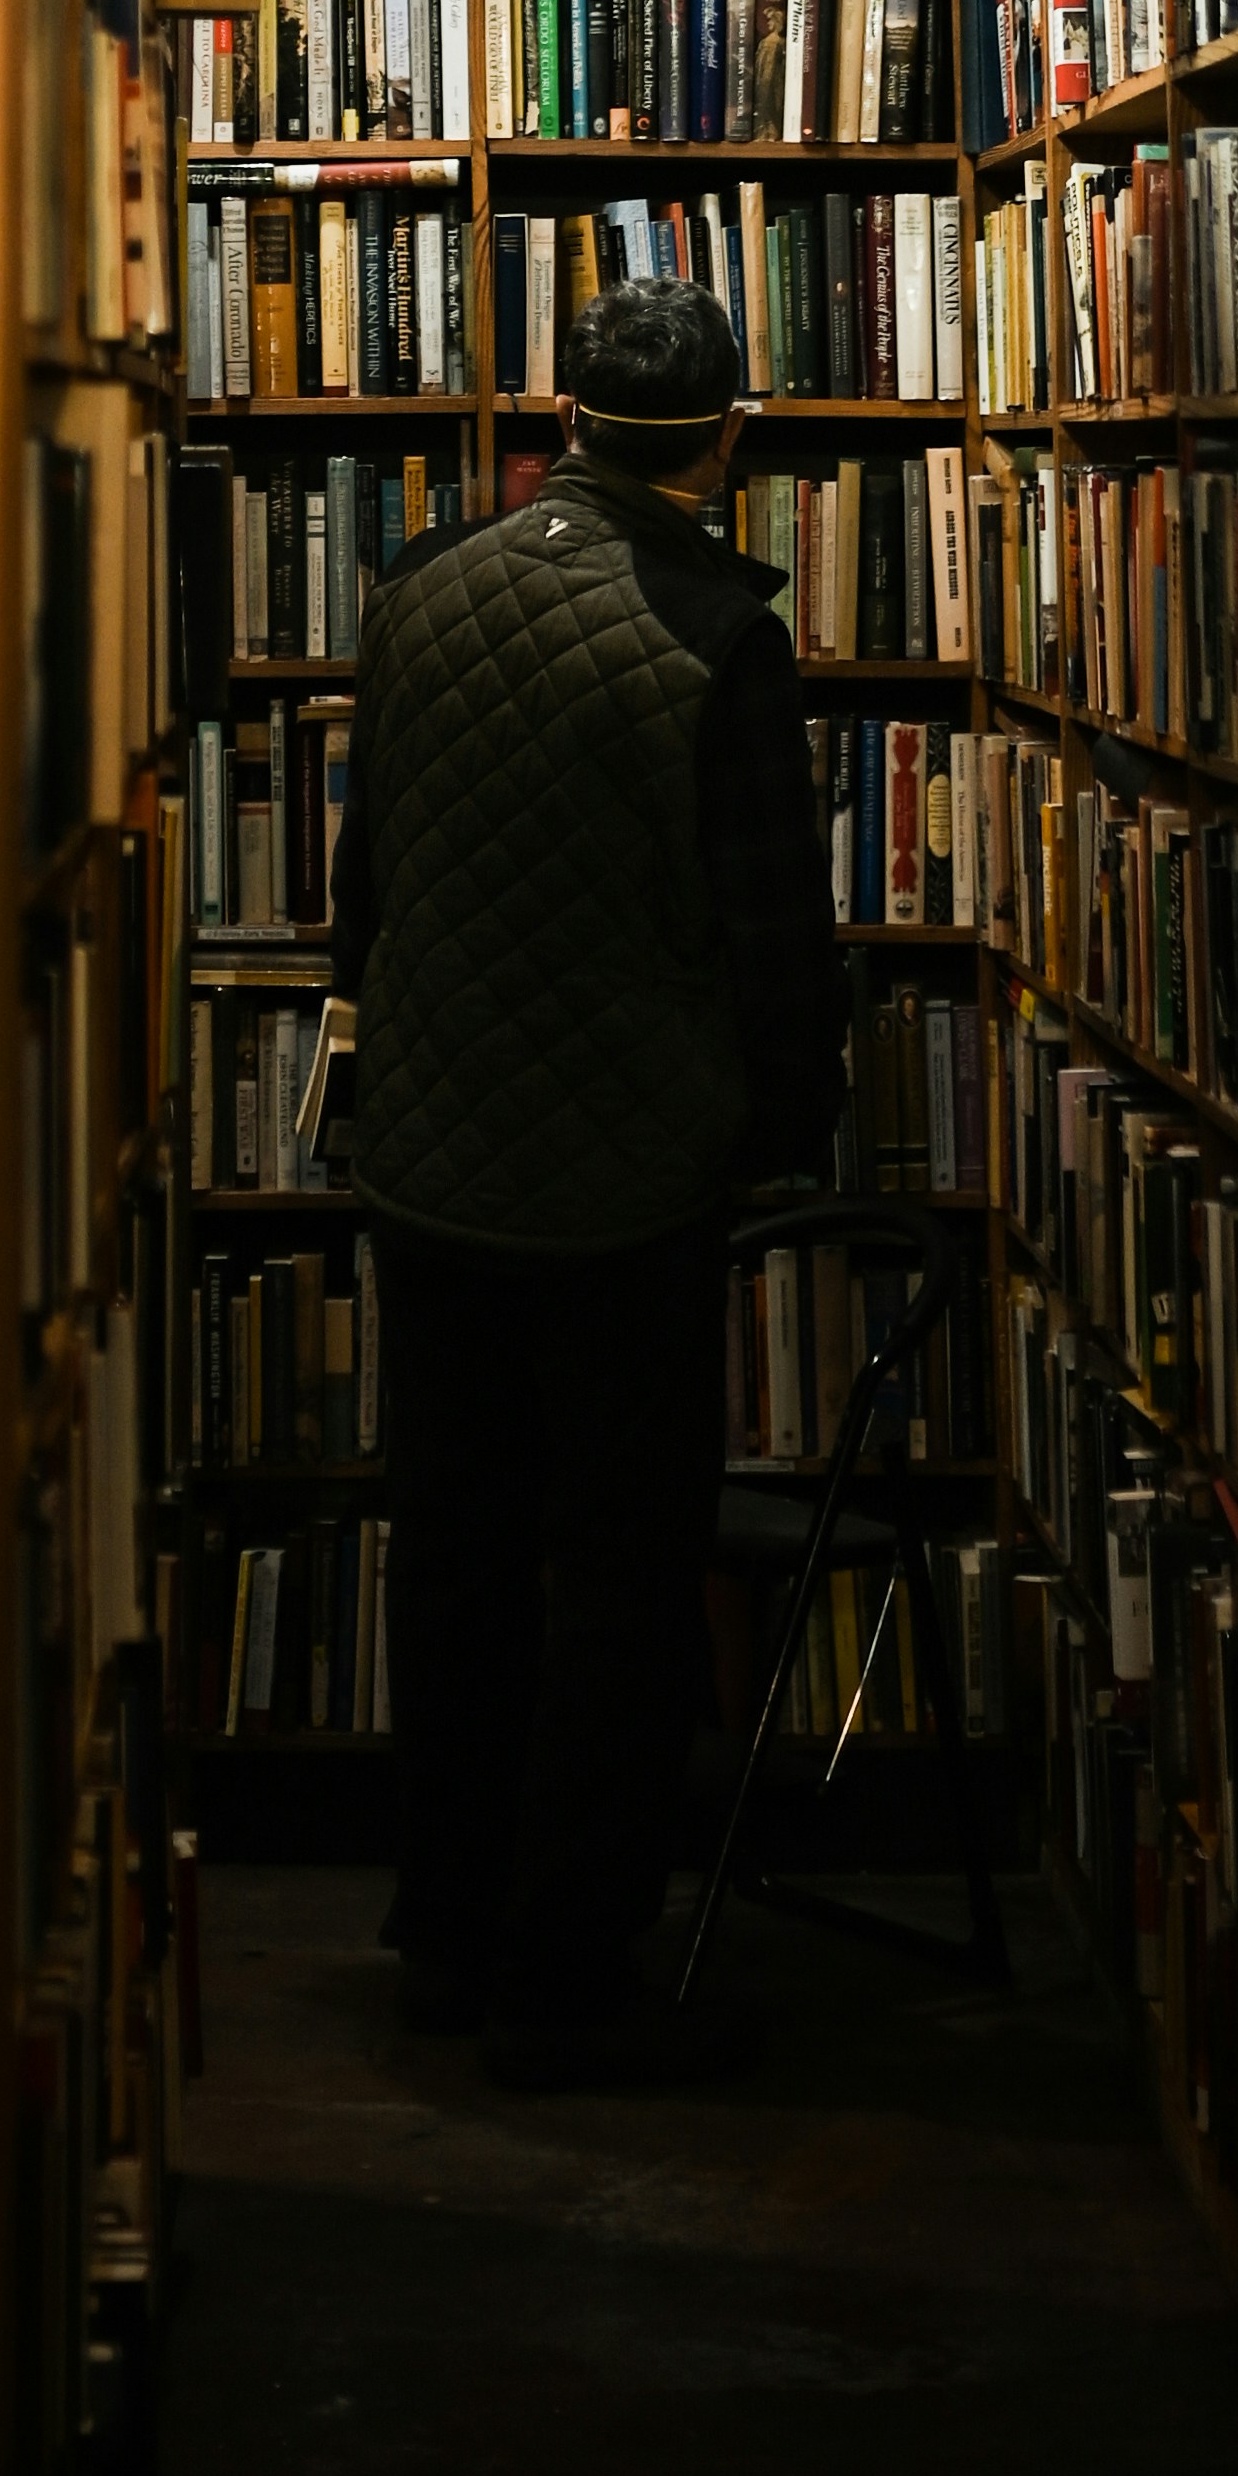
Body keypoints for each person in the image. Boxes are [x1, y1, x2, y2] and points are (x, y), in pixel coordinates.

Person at [327, 273, 843, 2082]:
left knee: (451, 1544)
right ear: (722, 431)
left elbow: (365, 883)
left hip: (433, 1153)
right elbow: (774, 933)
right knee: (619, 1565)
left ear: (556, 414)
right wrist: (780, 1125)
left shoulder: (414, 590)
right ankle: (571, 1945)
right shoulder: (720, 629)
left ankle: (441, 1921)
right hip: (630, 1177)